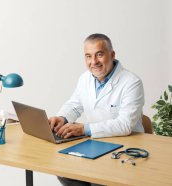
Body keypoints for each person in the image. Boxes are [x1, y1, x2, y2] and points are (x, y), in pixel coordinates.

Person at [48, 33, 144, 186]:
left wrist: (84, 129)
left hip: (126, 146)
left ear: (112, 55)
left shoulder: (132, 82)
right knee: (64, 172)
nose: (94, 62)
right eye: (88, 56)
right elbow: (74, 105)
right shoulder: (85, 78)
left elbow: (125, 125)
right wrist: (62, 118)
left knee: (99, 182)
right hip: (95, 145)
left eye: (99, 55)